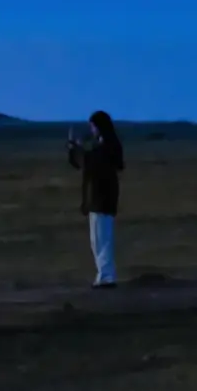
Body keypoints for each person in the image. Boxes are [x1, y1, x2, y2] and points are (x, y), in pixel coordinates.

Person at [67, 111, 124, 288]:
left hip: (101, 198)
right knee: (99, 239)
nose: (91, 130)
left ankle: (107, 276)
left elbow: (88, 161)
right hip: (102, 197)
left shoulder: (106, 147)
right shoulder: (108, 145)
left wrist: (75, 148)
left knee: (101, 238)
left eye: (93, 126)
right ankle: (104, 275)